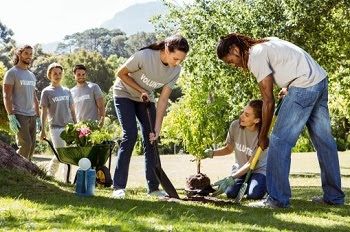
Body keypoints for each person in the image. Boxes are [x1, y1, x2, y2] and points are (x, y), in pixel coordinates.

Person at [216, 33, 345, 208]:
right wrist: (287, 86)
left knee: (278, 141)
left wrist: (263, 136)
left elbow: (268, 101)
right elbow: (292, 61)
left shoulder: (255, 55)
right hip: (319, 81)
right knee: (324, 142)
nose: (233, 65)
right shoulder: (267, 42)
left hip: (304, 86)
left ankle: (277, 199)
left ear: (235, 49)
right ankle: (334, 197)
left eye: (230, 60)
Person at [112, 34, 189, 198]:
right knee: (130, 135)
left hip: (146, 100)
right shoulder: (145, 56)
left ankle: (153, 189)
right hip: (123, 93)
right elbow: (121, 73)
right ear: (167, 50)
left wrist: (157, 128)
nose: (177, 63)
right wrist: (142, 90)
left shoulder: (175, 70)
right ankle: (118, 187)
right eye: (175, 58)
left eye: (180, 60)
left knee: (151, 139)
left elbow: (163, 101)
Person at [204, 100, 267, 200]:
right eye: (243, 112)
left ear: (256, 120)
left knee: (254, 195)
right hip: (240, 169)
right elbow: (229, 149)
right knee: (230, 193)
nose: (241, 116)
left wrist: (231, 178)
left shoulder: (263, 137)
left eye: (247, 115)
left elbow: (250, 164)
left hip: (258, 170)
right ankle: (249, 184)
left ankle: (262, 184)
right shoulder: (235, 126)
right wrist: (212, 153)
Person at [3, 45, 40, 161]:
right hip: (19, 115)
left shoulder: (31, 75)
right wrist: (11, 116)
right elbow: (6, 96)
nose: (29, 56)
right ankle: (18, 168)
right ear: (19, 54)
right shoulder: (12, 73)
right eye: (26, 53)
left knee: (32, 146)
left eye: (30, 54)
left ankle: (27, 173)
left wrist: (38, 116)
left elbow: (34, 97)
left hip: (32, 115)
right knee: (25, 145)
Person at [39, 63, 76, 178]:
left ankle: (67, 179)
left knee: (69, 154)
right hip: (55, 127)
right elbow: (43, 112)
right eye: (55, 73)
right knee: (60, 153)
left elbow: (72, 110)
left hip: (69, 127)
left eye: (60, 73)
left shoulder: (67, 91)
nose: (57, 75)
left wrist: (76, 124)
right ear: (49, 75)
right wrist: (42, 130)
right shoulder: (46, 91)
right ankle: (50, 174)